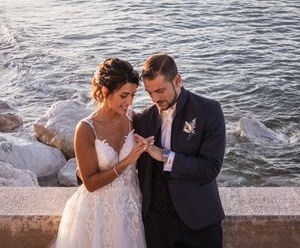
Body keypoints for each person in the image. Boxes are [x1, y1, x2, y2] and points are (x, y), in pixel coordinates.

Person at [54, 58, 151, 248]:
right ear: (105, 92)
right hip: (97, 214)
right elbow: (89, 183)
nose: (129, 102)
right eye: (124, 96)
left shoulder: (132, 119)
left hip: (130, 210)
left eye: (133, 95)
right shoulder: (86, 129)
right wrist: (128, 160)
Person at [133, 54, 226, 248]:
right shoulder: (142, 119)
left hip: (199, 223)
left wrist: (164, 156)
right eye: (149, 92)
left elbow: (210, 167)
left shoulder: (209, 111)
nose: (155, 98)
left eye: (160, 90)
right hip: (157, 225)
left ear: (177, 80)